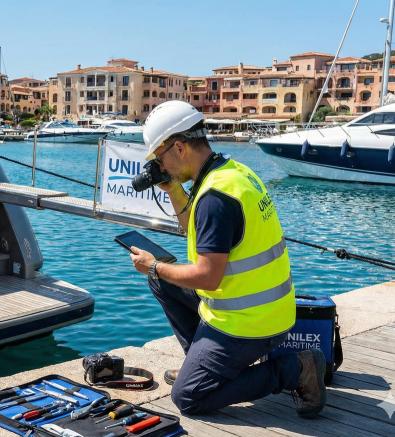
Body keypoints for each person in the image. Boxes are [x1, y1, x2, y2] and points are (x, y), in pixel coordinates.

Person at [128, 101, 326, 418]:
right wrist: (173, 189)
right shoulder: (232, 172)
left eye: (160, 157)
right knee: (160, 281)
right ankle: (202, 363)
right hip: (267, 309)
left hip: (250, 323)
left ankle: (297, 369)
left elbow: (208, 278)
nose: (160, 166)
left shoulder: (215, 198)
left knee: (189, 398)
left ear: (178, 147)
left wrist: (154, 265)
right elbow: (200, 227)